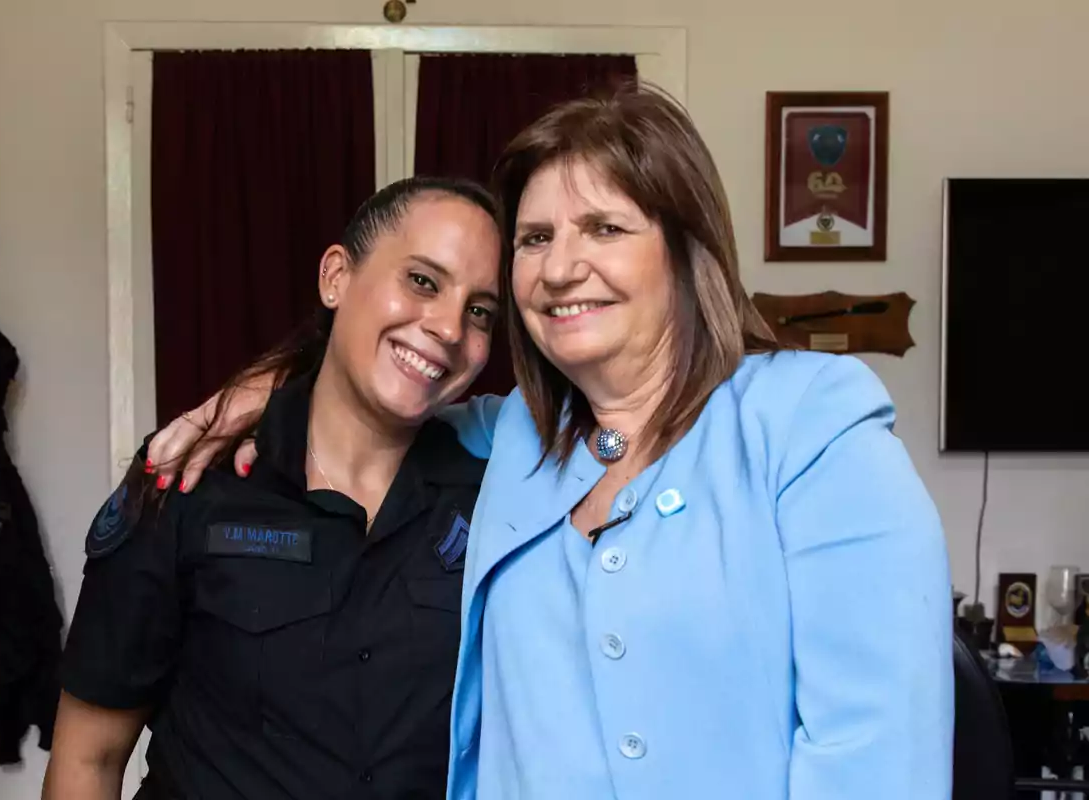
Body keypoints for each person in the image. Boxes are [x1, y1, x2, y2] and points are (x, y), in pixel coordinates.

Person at [149, 83, 954, 799]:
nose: (561, 268)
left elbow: (877, 756)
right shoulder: (512, 440)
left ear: (684, 249)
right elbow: (368, 387)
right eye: (535, 239)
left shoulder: (806, 422)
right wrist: (253, 392)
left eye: (603, 227)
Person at [42, 175, 503, 800]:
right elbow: (88, 761)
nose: (450, 328)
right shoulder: (192, 481)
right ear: (336, 277)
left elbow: (624, 431)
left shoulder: (494, 495)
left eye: (479, 311)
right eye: (422, 280)